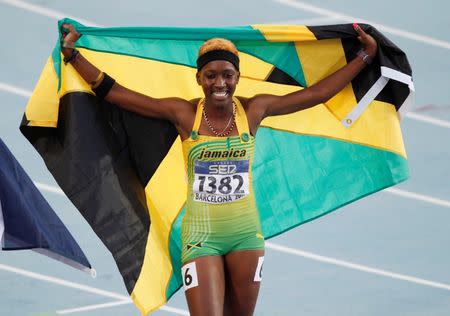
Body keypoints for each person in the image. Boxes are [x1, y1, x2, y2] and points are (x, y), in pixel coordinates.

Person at [60, 23, 377, 316]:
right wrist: (73, 56)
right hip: (201, 239)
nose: (220, 83)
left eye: (227, 74)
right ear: (199, 78)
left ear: (238, 77)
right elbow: (116, 95)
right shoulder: (183, 114)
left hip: (246, 238)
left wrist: (365, 56)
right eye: (210, 75)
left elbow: (317, 94)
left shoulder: (255, 109)